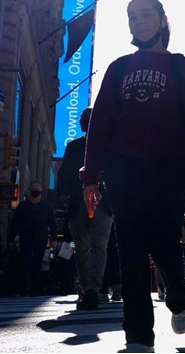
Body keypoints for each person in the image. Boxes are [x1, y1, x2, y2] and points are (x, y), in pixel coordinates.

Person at [81, 0, 185, 353]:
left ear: (161, 20)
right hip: (124, 168)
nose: (138, 22)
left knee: (164, 243)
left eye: (145, 15)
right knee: (130, 248)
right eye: (132, 16)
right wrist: (90, 176)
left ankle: (178, 295)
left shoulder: (180, 67)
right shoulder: (119, 68)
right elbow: (101, 124)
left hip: (170, 168)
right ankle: (138, 335)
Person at [58, 107, 114, 310]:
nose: (85, 122)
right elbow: (64, 174)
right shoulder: (74, 147)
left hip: (102, 201)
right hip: (78, 202)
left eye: (88, 118)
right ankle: (86, 287)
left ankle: (91, 288)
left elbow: (115, 175)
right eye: (83, 119)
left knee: (97, 246)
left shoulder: (108, 148)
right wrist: (63, 196)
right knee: (83, 247)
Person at [8, 180, 57, 297]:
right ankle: (24, 288)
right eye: (33, 189)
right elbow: (15, 223)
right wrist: (11, 239)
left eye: (37, 190)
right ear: (30, 191)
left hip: (40, 240)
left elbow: (52, 224)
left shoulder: (47, 207)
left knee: (37, 263)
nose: (35, 192)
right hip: (25, 239)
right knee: (24, 263)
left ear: (41, 191)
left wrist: (54, 238)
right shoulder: (22, 206)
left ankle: (35, 288)